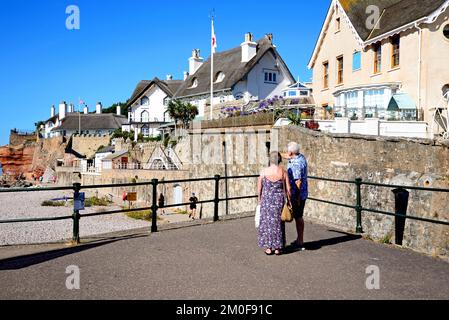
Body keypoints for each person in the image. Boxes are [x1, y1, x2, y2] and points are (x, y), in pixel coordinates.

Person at [257, 151, 291, 256]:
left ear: (270, 160)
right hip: (278, 200)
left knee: (267, 223)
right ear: (280, 160)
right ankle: (277, 248)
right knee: (278, 224)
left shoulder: (264, 172)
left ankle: (268, 248)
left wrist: (259, 199)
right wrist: (289, 201)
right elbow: (288, 189)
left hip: (266, 200)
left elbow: (259, 188)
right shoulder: (283, 172)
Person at [286, 142, 308, 251]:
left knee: (298, 217)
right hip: (303, 193)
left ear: (290, 152)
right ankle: (300, 239)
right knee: (298, 216)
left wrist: (297, 198)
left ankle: (300, 241)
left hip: (297, 195)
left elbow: (298, 182)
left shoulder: (295, 164)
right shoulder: (301, 157)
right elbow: (289, 156)